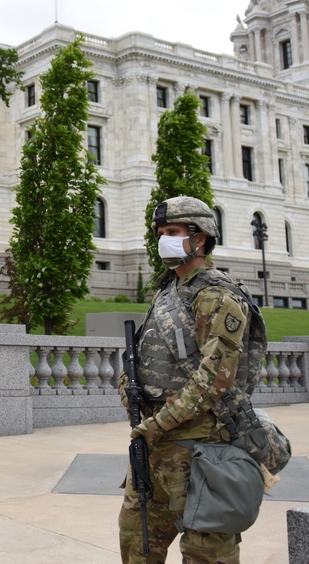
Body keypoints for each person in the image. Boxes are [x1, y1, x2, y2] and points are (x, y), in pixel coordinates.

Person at [118, 196, 253, 563]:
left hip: (200, 448)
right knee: (136, 544)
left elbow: (214, 380)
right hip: (153, 447)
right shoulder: (167, 291)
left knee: (206, 551)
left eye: (173, 232)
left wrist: (157, 424)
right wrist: (128, 387)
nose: (165, 239)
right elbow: (144, 353)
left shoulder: (216, 295)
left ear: (201, 238)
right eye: (161, 233)